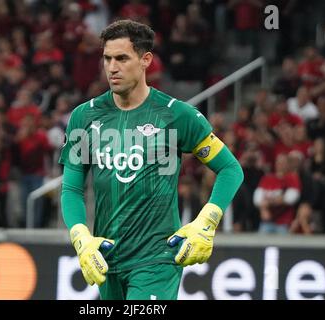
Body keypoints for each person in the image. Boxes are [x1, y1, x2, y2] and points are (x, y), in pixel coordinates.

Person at [59, 20, 243, 300]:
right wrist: (81, 238)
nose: (112, 67)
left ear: (146, 60)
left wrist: (207, 220)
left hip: (156, 259)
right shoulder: (84, 117)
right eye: (107, 58)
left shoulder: (176, 115)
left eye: (122, 58)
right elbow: (71, 188)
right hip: (107, 259)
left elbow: (230, 169)